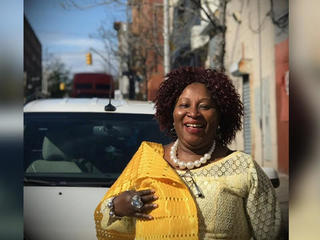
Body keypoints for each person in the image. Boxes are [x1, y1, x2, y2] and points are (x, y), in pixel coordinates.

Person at [94, 67, 281, 240]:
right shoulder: (147, 160)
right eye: (184, 105)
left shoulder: (243, 168)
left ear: (220, 116)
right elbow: (103, 219)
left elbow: (270, 234)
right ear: (171, 113)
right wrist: (117, 207)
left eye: (205, 106)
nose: (193, 113)